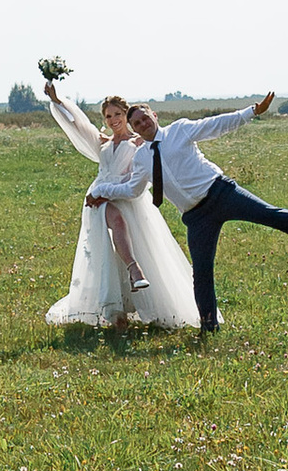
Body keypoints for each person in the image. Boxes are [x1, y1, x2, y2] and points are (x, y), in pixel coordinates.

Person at [128, 94, 288, 333]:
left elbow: (216, 124)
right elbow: (132, 188)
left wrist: (252, 111)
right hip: (196, 217)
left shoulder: (179, 130)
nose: (143, 124)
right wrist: (101, 191)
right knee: (201, 273)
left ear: (154, 115)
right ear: (134, 130)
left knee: (271, 215)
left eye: (145, 118)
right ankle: (208, 326)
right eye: (137, 124)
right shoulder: (140, 158)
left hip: (221, 193)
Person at [39, 83, 200, 330]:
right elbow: (77, 125)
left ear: (126, 115)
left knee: (129, 245)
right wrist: (57, 100)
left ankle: (122, 312)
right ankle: (133, 274)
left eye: (117, 114)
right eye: (108, 116)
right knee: (115, 223)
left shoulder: (138, 143)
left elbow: (145, 169)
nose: (113, 120)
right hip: (98, 199)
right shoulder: (102, 143)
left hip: (127, 197)